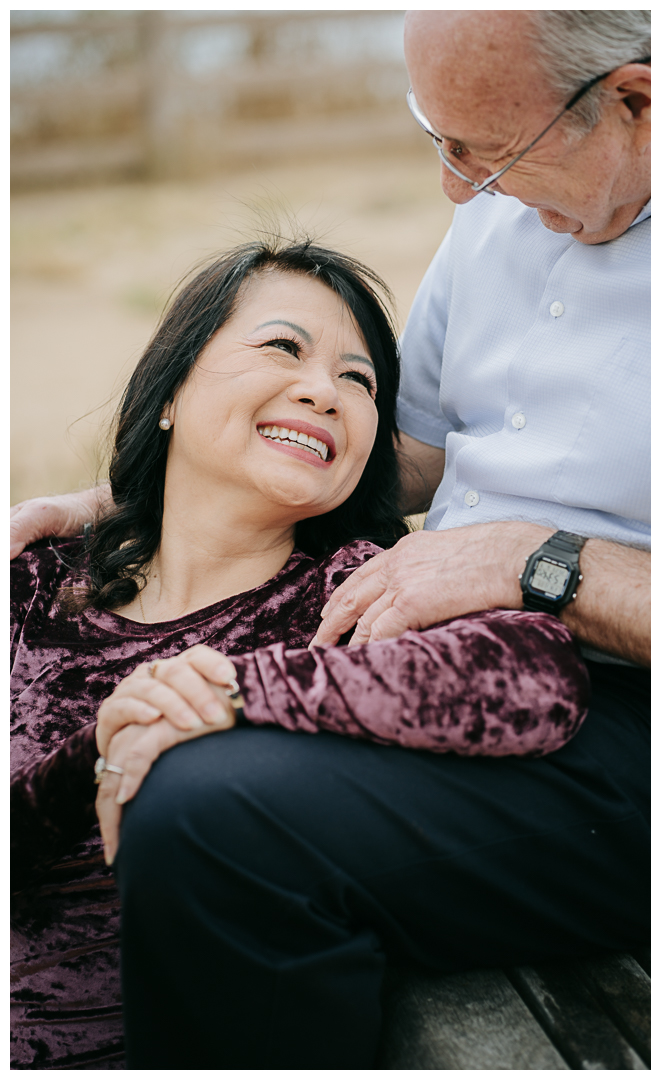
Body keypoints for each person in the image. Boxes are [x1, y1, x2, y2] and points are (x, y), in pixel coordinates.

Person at [10, 9, 651, 1070]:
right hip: (427, 644)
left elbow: (521, 638)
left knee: (212, 812)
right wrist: (130, 494)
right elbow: (399, 449)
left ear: (635, 101)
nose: (458, 188)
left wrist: (542, 562)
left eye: (487, 149)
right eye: (439, 139)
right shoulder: (503, 207)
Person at [10, 236, 589, 1070]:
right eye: (284, 346)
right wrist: (93, 754)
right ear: (169, 389)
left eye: (360, 381)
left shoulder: (354, 595)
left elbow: (540, 679)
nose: (325, 391)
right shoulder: (35, 582)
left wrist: (229, 691)